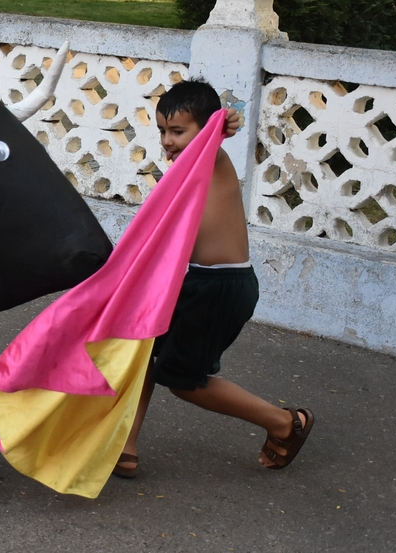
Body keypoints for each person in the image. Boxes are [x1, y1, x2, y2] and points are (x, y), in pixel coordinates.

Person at [114, 80, 314, 479]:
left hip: (220, 288)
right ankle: (125, 446)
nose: (167, 141)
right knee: (144, 351)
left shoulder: (210, 159)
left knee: (187, 383)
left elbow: (223, 124)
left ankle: (283, 422)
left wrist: (226, 120)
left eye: (178, 131)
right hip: (200, 282)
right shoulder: (184, 168)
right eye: (162, 131)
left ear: (203, 132)